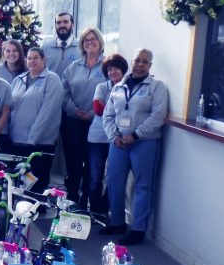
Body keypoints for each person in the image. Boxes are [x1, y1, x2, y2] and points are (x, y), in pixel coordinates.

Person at [102, 49, 168, 246]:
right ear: (132, 62)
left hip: (144, 143)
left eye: (145, 62)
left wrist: (136, 134)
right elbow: (107, 115)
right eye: (137, 60)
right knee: (114, 181)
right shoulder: (119, 87)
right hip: (118, 143)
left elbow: (157, 116)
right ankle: (117, 222)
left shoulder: (157, 87)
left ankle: (138, 229)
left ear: (150, 66)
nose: (140, 64)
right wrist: (114, 136)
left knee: (142, 184)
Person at [60, 27, 106, 207]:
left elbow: (112, 93)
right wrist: (75, 110)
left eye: (93, 39)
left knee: (93, 164)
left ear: (100, 42)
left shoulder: (107, 65)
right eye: (86, 40)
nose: (89, 42)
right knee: (74, 161)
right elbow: (63, 93)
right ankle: (72, 199)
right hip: (73, 121)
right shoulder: (73, 67)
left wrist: (93, 113)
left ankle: (88, 200)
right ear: (82, 44)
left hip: (98, 123)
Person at [8, 46, 63, 192]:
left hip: (39, 143)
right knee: (18, 182)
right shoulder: (18, 80)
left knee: (36, 182)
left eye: (36, 58)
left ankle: (36, 212)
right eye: (29, 58)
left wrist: (32, 139)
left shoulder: (52, 80)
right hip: (16, 141)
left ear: (44, 60)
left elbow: (47, 113)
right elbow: (9, 108)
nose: (32, 61)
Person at [87, 53, 127, 219]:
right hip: (97, 138)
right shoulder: (102, 87)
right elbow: (97, 108)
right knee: (95, 177)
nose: (113, 72)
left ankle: (105, 209)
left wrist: (112, 111)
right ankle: (95, 211)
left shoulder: (129, 87)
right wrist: (121, 112)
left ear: (123, 69)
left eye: (116, 68)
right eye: (109, 70)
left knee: (112, 177)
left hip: (117, 138)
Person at [41, 12, 79, 79]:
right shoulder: (45, 48)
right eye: (58, 23)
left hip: (73, 89)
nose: (62, 25)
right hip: (50, 88)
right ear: (55, 26)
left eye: (65, 22)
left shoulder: (82, 48)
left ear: (72, 25)